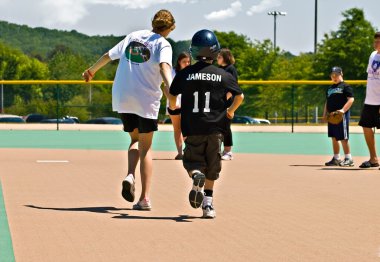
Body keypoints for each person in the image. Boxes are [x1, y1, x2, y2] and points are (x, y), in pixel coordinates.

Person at [82, 9, 176, 210]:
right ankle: (144, 199)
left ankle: (130, 175)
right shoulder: (163, 44)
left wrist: (91, 71)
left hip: (123, 97)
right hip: (145, 99)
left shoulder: (133, 36)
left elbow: (108, 55)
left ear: (153, 23)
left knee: (134, 140)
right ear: (170, 28)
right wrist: (173, 88)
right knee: (146, 148)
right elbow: (164, 67)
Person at [169, 29, 244, 218]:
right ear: (215, 52)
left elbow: (172, 94)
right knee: (212, 166)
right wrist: (230, 111)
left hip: (193, 128)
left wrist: (172, 106)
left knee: (192, 162)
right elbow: (240, 96)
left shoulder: (185, 74)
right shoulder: (223, 74)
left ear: (193, 51)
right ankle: (208, 205)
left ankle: (195, 175)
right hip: (215, 128)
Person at [322, 67, 354, 167]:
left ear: (341, 74)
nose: (334, 77)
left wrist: (343, 110)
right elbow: (327, 102)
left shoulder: (345, 86)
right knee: (334, 137)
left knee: (343, 137)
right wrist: (324, 114)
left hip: (341, 115)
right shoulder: (330, 88)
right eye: (332, 75)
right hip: (332, 116)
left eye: (336, 75)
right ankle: (336, 158)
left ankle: (348, 158)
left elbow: (351, 99)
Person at [358, 32, 380, 168]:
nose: (376, 43)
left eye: (379, 41)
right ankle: (373, 159)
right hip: (370, 100)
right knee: (366, 126)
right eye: (375, 41)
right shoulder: (372, 55)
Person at [166, 52, 191, 160]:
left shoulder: (191, 73)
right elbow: (165, 88)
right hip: (174, 105)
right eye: (184, 61)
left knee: (187, 128)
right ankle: (180, 153)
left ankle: (190, 151)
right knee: (177, 129)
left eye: (188, 61)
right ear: (179, 62)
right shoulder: (172, 72)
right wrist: (172, 103)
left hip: (187, 105)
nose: (187, 63)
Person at [216, 48, 238, 160]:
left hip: (227, 103)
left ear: (225, 57)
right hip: (218, 102)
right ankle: (217, 150)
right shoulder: (218, 69)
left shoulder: (231, 69)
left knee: (225, 126)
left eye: (219, 56)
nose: (217, 58)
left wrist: (224, 99)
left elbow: (232, 88)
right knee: (217, 127)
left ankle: (228, 151)